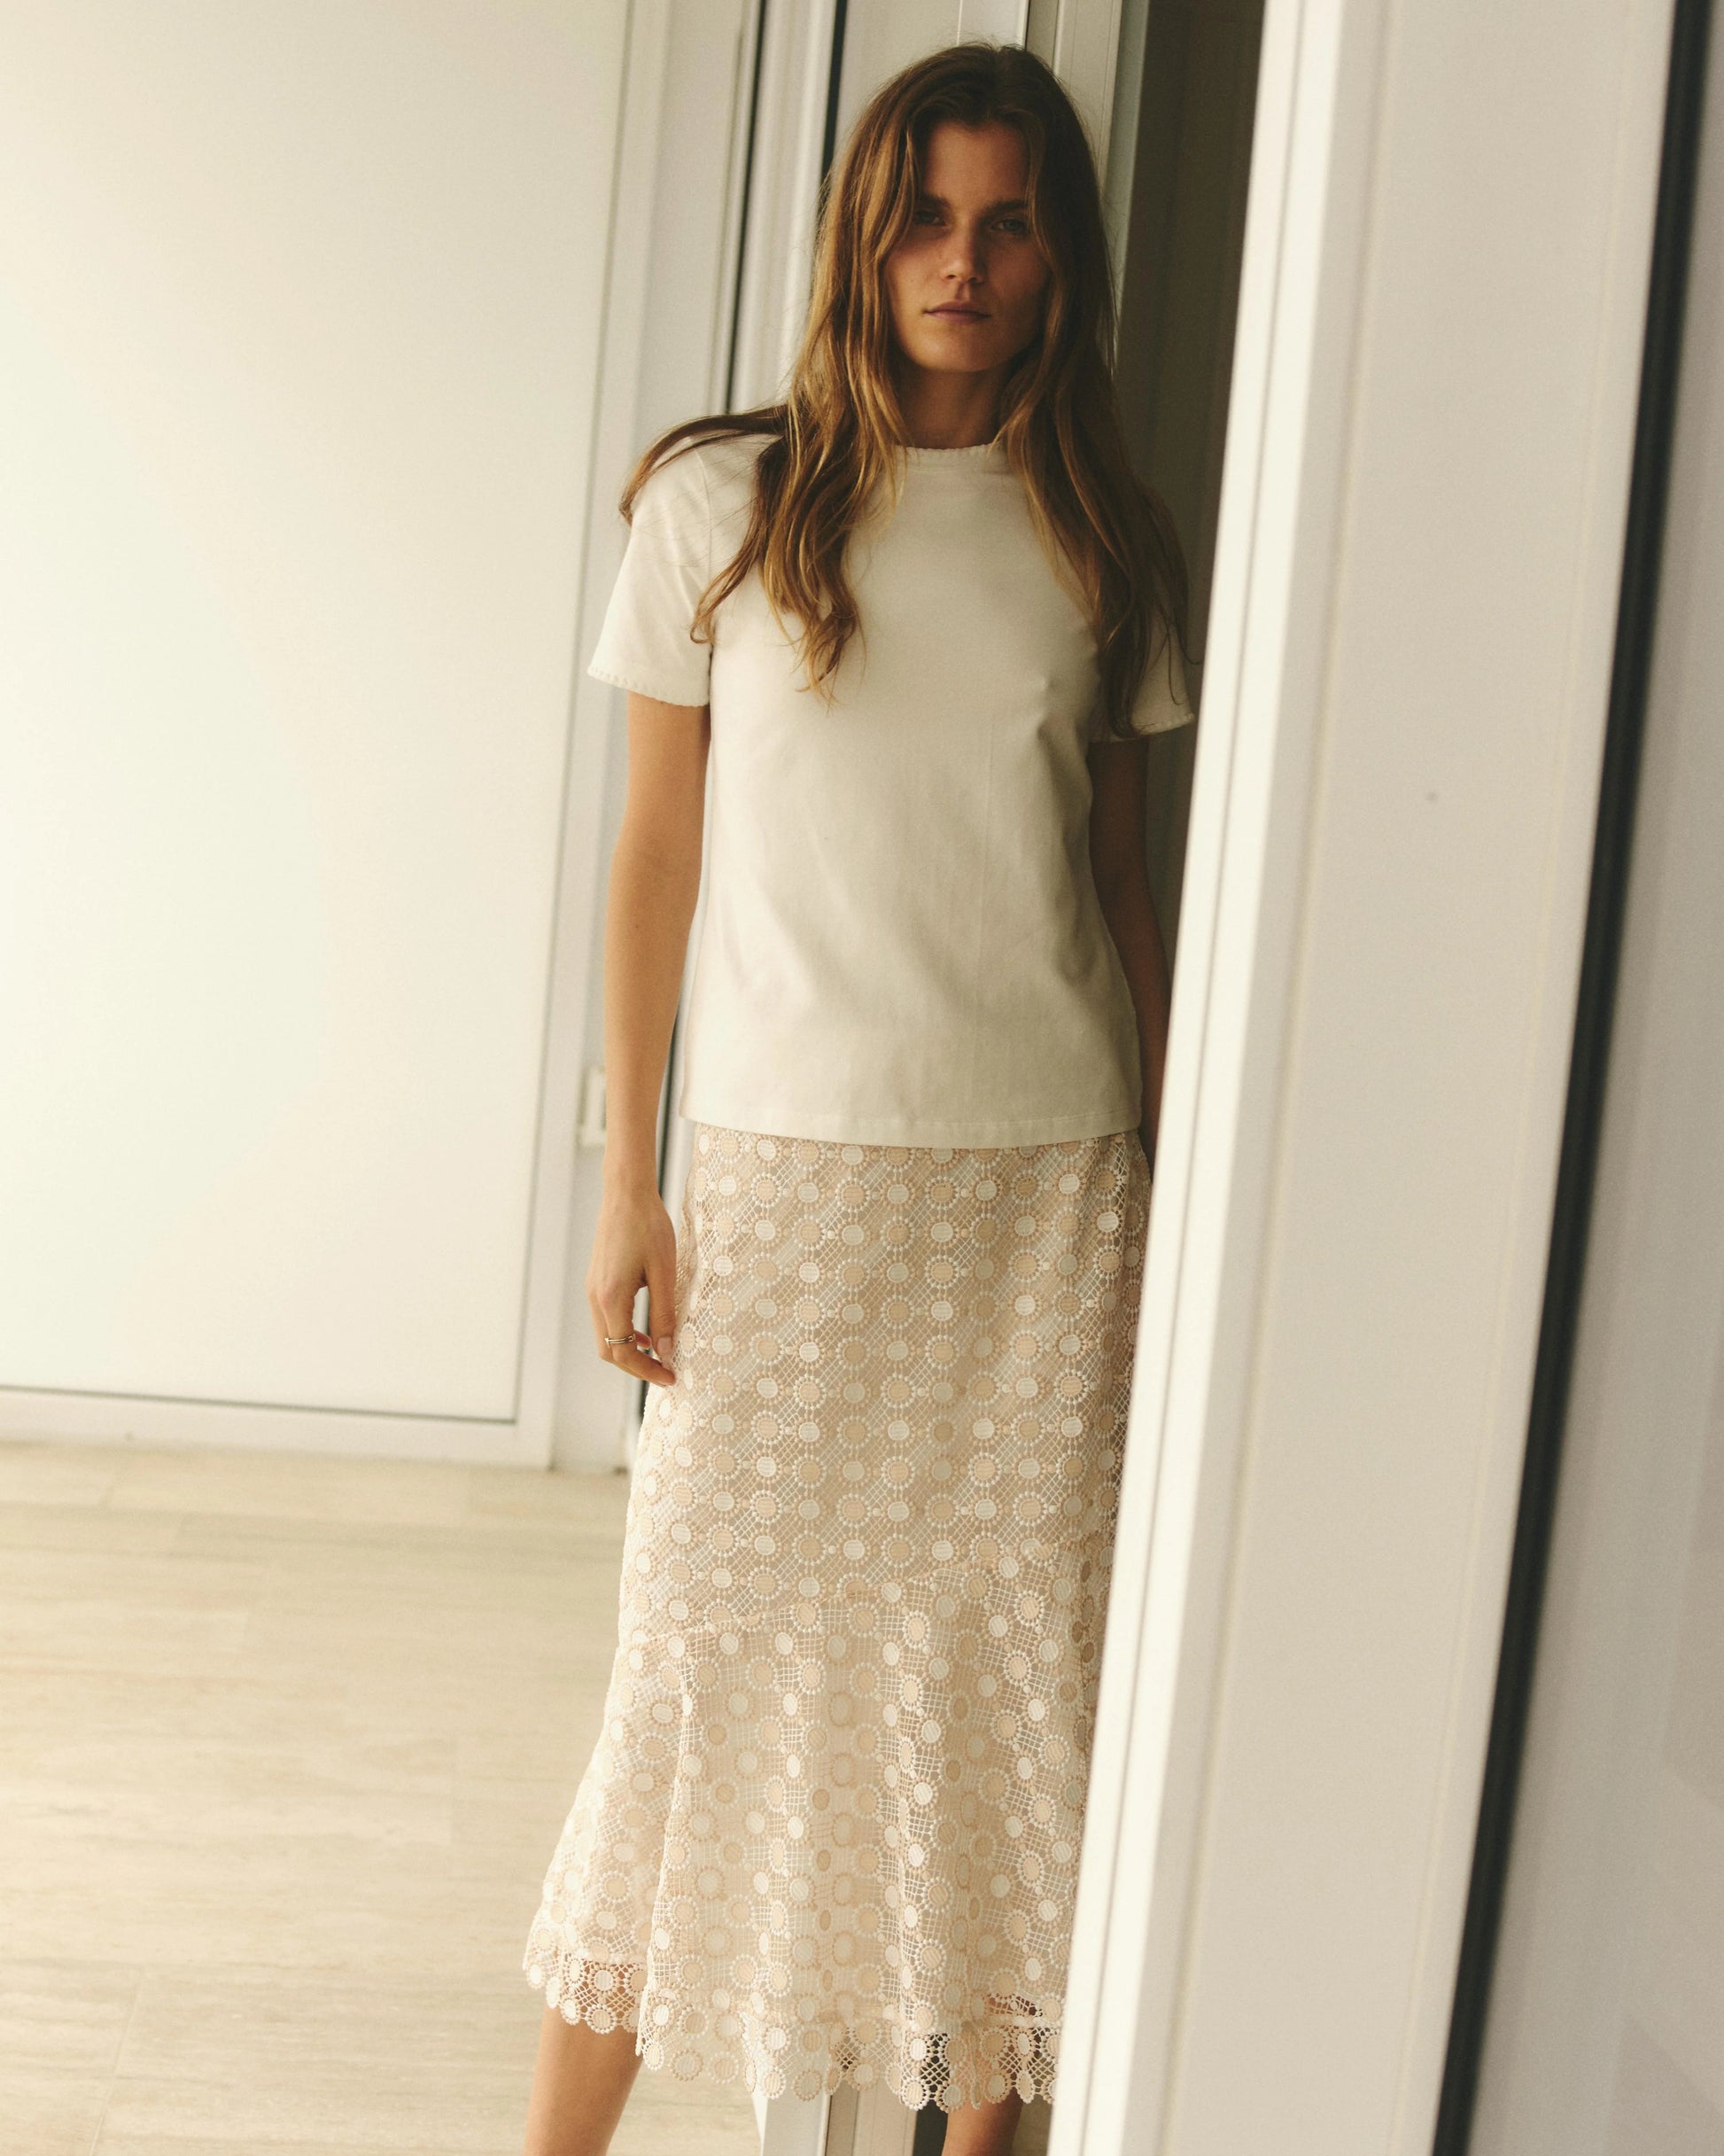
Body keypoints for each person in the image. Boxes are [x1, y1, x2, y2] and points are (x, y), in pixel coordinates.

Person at [521, 39, 1193, 2156]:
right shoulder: (719, 505)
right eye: (923, 218)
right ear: (861, 238)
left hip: (1046, 1192)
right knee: (691, 1670)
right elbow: (652, 856)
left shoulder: (1102, 537)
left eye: (1007, 224)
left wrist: (1185, 1189)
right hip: (787, 1185)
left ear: (1058, 262)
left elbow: (1120, 883)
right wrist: (628, 1179)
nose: (960, 262)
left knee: (1013, 1705)